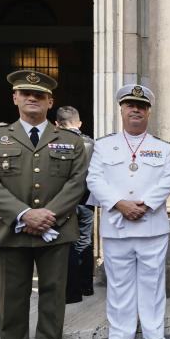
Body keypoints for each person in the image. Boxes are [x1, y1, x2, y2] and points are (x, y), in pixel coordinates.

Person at [0, 70, 88, 339]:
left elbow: (76, 183)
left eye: (39, 94)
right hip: (12, 232)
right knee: (12, 299)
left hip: (56, 231)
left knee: (53, 295)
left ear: (50, 101)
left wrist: (47, 216)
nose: (32, 98)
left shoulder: (71, 141)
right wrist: (24, 214)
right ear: (15, 98)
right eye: (25, 93)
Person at [87, 85, 170, 339]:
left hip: (151, 226)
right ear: (122, 110)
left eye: (140, 105)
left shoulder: (162, 147)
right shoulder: (103, 145)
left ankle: (154, 332)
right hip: (117, 225)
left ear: (148, 111)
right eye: (129, 105)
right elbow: (94, 180)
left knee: (152, 282)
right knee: (119, 284)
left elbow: (167, 180)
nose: (135, 109)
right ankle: (119, 336)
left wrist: (144, 205)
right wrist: (120, 204)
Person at [55, 106, 96, 303]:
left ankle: (71, 291)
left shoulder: (54, 142)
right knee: (85, 242)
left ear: (57, 124)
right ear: (79, 123)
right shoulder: (92, 143)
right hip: (87, 200)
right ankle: (86, 286)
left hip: (63, 201)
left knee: (65, 243)